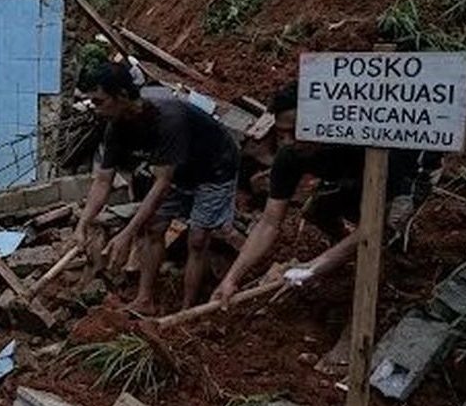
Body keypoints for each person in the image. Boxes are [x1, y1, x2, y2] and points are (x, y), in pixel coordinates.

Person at [213, 83, 440, 305]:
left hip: (407, 178)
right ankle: (349, 251)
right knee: (318, 211)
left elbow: (373, 224)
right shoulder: (290, 154)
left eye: (297, 131)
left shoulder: (363, 140)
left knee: (390, 226)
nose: (289, 141)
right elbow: (269, 222)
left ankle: (395, 272)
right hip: (355, 181)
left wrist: (315, 267)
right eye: (282, 133)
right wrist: (232, 278)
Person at [71, 63, 240, 314]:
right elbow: (103, 180)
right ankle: (145, 299)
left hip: (214, 168)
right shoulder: (116, 127)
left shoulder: (168, 120)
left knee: (197, 239)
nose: (96, 109)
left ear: (123, 96)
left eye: (99, 101)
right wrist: (83, 222)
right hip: (178, 170)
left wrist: (127, 233)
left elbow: (162, 184)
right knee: (154, 228)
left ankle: (187, 310)